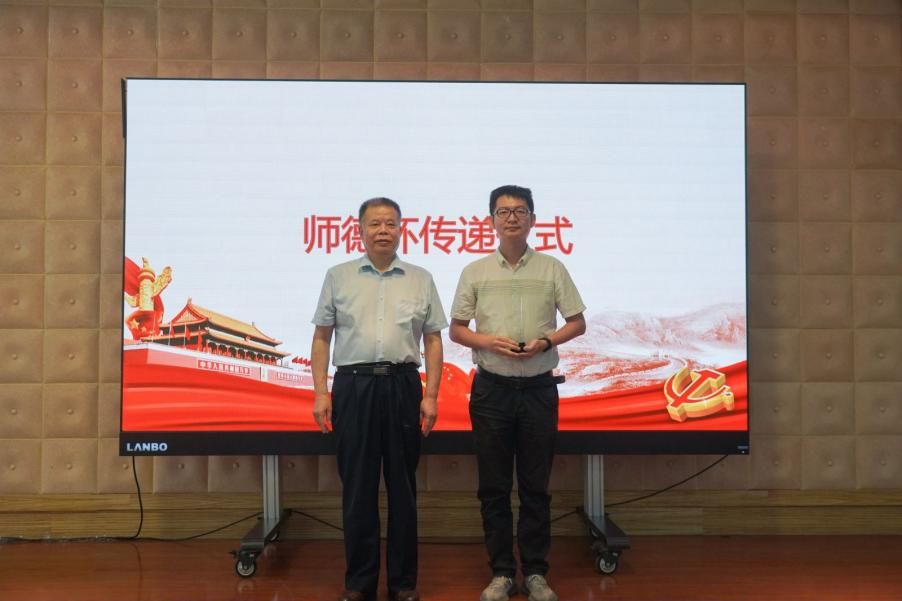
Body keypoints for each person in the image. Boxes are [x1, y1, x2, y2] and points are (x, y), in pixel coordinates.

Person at [449, 185, 586, 601]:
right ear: (491, 220)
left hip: (539, 389)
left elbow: (577, 322)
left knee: (535, 486)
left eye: (520, 211)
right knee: (493, 486)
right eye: (503, 211)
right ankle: (502, 573)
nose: (512, 218)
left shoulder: (551, 268)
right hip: (492, 391)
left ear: (532, 219)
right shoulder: (475, 271)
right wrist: (488, 342)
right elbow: (457, 330)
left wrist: (547, 341)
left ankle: (537, 573)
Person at [311, 197, 447, 601]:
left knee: (403, 489)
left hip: (403, 386)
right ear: (360, 230)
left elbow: (433, 340)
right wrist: (320, 392)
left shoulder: (420, 278)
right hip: (354, 387)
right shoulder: (338, 276)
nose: (383, 230)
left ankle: (403, 584)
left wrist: (431, 395)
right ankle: (359, 584)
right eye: (374, 224)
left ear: (402, 229)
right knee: (358, 488)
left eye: (390, 223)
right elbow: (322, 338)